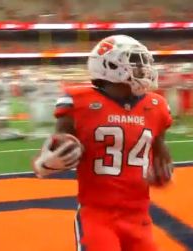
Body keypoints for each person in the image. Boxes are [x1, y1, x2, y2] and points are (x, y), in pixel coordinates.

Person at [32, 35, 173, 251]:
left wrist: (163, 170)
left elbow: (160, 152)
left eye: (142, 61)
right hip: (98, 215)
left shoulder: (157, 105)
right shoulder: (79, 101)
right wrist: (46, 163)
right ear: (110, 65)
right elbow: (56, 146)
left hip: (139, 215)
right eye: (133, 61)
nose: (142, 68)